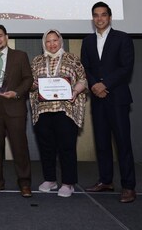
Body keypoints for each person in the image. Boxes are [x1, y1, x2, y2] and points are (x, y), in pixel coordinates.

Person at [81, 2, 136, 203]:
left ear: (110, 17)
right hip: (98, 99)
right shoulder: (87, 41)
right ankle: (105, 181)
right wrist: (95, 85)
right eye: (96, 15)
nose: (99, 18)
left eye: (103, 15)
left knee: (123, 143)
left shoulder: (123, 38)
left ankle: (128, 186)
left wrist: (104, 84)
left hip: (117, 98)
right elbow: (85, 68)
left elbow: (126, 67)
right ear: (92, 19)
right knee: (102, 142)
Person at [29, 29, 87, 198]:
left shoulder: (72, 58)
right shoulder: (37, 61)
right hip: (43, 110)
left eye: (55, 40)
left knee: (66, 146)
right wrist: (33, 85)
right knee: (46, 146)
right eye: (48, 41)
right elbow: (30, 83)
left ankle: (68, 183)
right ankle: (50, 179)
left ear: (60, 41)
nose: (52, 44)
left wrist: (75, 91)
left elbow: (83, 79)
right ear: (44, 43)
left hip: (65, 109)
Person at [0, 24, 33, 197]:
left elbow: (28, 79)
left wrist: (16, 93)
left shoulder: (20, 56)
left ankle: (25, 183)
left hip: (15, 109)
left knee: (20, 147)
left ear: (6, 37)